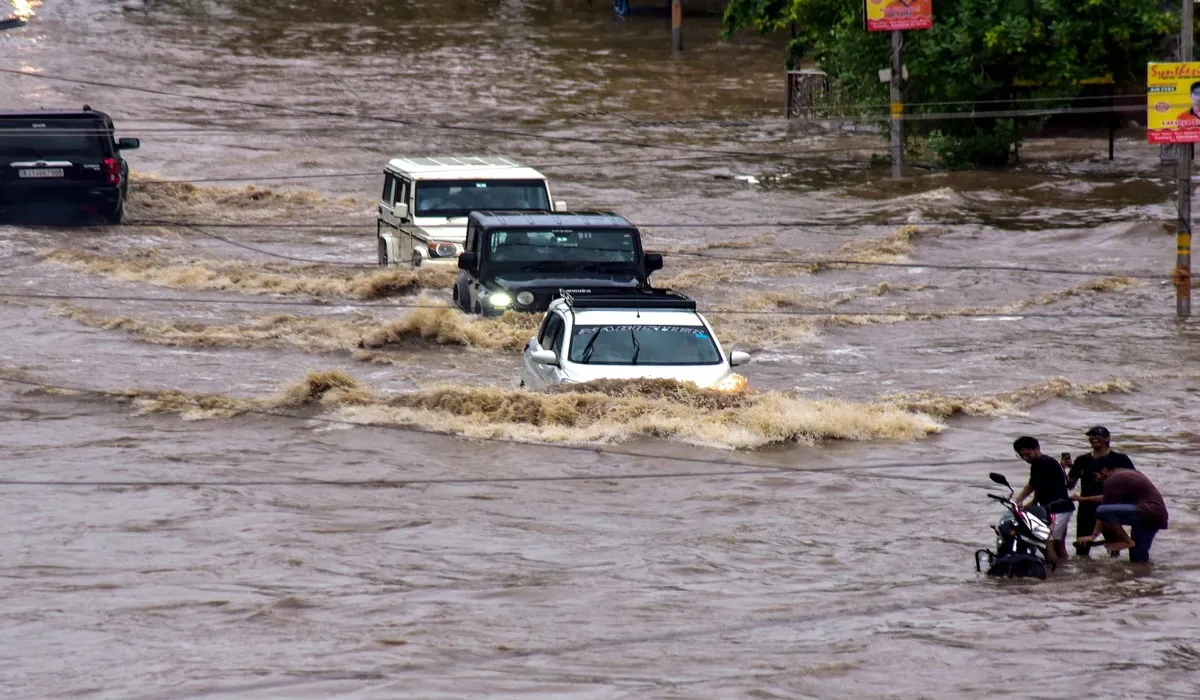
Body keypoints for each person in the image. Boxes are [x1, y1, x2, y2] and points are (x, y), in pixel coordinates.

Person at [1064, 426, 1136, 556]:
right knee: (1082, 546)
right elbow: (1070, 485)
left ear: (1107, 439)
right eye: (1091, 436)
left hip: (1110, 507)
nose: (1093, 438)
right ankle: (1084, 572)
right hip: (1086, 508)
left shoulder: (1120, 459)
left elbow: (1133, 480)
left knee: (1114, 546)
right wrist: (1063, 469)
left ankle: (1115, 573)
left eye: (1097, 435)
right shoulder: (1082, 460)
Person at [1075, 464, 1168, 564]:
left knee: (1102, 511)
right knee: (1138, 558)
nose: (1096, 480)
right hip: (1157, 515)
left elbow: (1104, 512)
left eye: (1095, 476)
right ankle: (1142, 576)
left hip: (1145, 511)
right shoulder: (1126, 474)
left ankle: (1125, 541)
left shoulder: (1111, 480)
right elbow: (1107, 499)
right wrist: (1084, 499)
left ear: (1104, 470)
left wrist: (1093, 536)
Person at [1012, 436, 1075, 569]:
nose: (1025, 458)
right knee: (1059, 544)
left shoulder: (1042, 463)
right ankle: (1065, 568)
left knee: (1045, 542)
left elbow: (1033, 485)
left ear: (1037, 449)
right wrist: (1027, 505)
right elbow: (1040, 491)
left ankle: (1054, 571)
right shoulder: (1047, 462)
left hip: (1056, 509)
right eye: (1022, 456)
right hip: (1063, 507)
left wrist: (1019, 500)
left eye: (1028, 454)